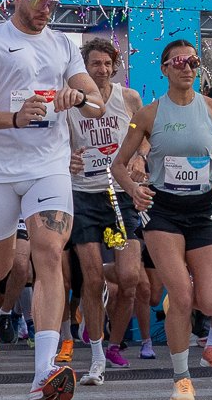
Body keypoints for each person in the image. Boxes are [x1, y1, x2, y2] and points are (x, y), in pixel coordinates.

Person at [0, 0, 104, 400]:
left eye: (53, 3)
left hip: (49, 165)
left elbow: (95, 102)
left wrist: (80, 96)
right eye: (38, 0)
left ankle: (43, 372)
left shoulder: (63, 45)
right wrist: (15, 118)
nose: (45, 10)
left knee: (49, 254)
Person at [112, 39, 212, 400]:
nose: (187, 67)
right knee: (183, 295)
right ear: (165, 68)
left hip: (201, 210)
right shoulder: (148, 114)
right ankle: (182, 379)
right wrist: (134, 190)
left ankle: (177, 305)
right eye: (179, 61)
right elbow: (118, 165)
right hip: (163, 211)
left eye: (193, 62)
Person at [66, 37, 144, 385]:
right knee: (93, 278)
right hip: (84, 196)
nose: (102, 70)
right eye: (95, 64)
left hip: (119, 196)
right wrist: (67, 159)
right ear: (84, 67)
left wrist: (140, 155)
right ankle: (97, 357)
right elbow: (57, 145)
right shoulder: (71, 102)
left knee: (129, 278)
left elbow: (144, 133)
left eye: (107, 64)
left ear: (115, 67)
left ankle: (114, 343)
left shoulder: (128, 98)